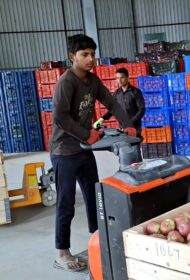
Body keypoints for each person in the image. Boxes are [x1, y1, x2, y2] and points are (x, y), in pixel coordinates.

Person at [50, 34, 137, 272]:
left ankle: (97, 241)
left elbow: (113, 103)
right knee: (66, 202)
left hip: (83, 150)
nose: (90, 59)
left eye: (92, 54)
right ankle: (62, 252)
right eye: (84, 55)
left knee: (94, 197)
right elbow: (60, 117)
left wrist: (127, 123)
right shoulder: (66, 82)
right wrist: (86, 133)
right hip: (64, 151)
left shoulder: (93, 80)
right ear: (72, 57)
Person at [93, 67, 145, 139]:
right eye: (117, 78)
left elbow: (142, 110)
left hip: (134, 127)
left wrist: (131, 121)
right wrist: (102, 118)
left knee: (134, 148)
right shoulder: (117, 94)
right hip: (122, 128)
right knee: (125, 148)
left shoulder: (136, 92)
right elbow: (113, 109)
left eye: (122, 77)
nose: (119, 80)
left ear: (127, 77)